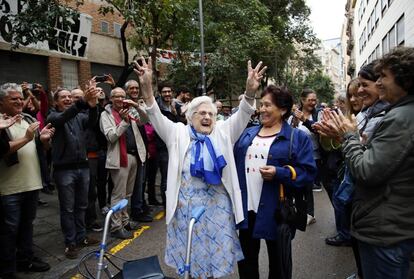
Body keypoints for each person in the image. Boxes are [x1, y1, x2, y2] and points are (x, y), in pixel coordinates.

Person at [135, 57, 267, 278]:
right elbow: (155, 114)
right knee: (190, 260)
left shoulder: (223, 132)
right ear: (190, 117)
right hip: (185, 210)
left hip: (217, 210)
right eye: (201, 113)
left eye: (211, 114)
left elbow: (244, 113)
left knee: (214, 261)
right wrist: (147, 88)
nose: (207, 117)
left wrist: (250, 91)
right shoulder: (176, 132)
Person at [315, 46, 414, 279]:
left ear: (404, 80)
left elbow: (367, 170)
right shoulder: (399, 113)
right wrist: (343, 136)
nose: (378, 83)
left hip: (385, 229)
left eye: (383, 77)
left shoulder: (400, 118)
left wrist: (349, 136)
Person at [234, 85, 317, 279]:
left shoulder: (297, 138)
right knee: (246, 263)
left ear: (282, 109)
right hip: (247, 210)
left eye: (267, 105)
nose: (262, 109)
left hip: (277, 211)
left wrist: (280, 172)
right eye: (261, 105)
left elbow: (308, 172)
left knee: (279, 265)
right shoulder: (248, 134)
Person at [0, 83, 55, 279]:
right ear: (1, 102)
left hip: (32, 183)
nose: (19, 101)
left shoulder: (28, 119)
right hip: (9, 188)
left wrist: (44, 140)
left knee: (27, 226)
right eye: (13, 98)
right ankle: (7, 270)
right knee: (9, 230)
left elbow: (41, 150)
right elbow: (2, 149)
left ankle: (26, 260)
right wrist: (26, 138)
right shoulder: (0, 122)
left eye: (20, 98)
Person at [46, 85, 100, 259]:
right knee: (68, 208)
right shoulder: (53, 116)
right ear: (56, 102)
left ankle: (81, 237)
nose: (68, 99)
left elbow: (92, 123)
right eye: (63, 97)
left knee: (81, 205)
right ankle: (70, 242)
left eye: (70, 96)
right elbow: (64, 117)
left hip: (82, 167)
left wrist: (93, 106)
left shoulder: (78, 117)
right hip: (64, 170)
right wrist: (83, 101)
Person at [100, 87, 148, 239]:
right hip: (120, 158)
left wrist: (136, 107)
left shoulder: (129, 110)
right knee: (118, 194)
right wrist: (124, 122)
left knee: (128, 193)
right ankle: (115, 226)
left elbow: (145, 121)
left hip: (134, 156)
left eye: (122, 96)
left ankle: (125, 221)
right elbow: (111, 136)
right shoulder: (105, 114)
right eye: (117, 97)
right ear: (111, 99)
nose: (120, 99)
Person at [124, 80, 152, 223]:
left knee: (141, 182)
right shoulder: (124, 106)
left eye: (136, 88)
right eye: (131, 88)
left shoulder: (139, 105)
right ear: (126, 91)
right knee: (135, 184)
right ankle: (136, 210)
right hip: (130, 151)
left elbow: (144, 122)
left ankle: (141, 206)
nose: (134, 90)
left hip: (142, 148)